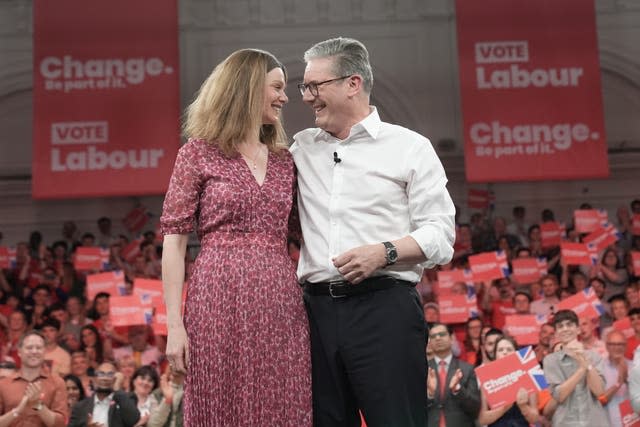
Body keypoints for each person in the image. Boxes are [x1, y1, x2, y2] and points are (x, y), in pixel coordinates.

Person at [291, 37, 455, 427]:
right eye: (304, 87)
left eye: (316, 86)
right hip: (313, 314)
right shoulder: (300, 149)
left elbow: (441, 234)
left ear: (353, 83)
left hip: (384, 310)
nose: (307, 97)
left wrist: (385, 252)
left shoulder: (409, 148)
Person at [160, 48, 312, 426]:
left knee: (284, 396)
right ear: (246, 88)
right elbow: (174, 241)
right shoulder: (197, 154)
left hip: (279, 297)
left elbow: (307, 230)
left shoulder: (285, 160)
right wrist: (174, 326)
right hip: (215, 295)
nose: (285, 96)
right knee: (218, 397)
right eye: (276, 87)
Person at [542, 309, 609, 426]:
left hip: (594, 422)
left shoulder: (594, 356)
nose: (565, 329)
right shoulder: (550, 360)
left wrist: (584, 361)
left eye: (569, 324)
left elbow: (599, 391)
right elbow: (559, 395)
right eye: (560, 326)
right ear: (556, 333)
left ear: (578, 329)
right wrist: (581, 369)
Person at [0, 330, 67, 427]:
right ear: (19, 351)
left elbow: (60, 424)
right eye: (29, 347)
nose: (34, 351)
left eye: (39, 348)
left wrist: (38, 406)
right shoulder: (3, 384)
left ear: (45, 351)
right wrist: (17, 411)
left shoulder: (57, 383)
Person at [477, 335, 539, 426]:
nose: (505, 352)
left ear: (516, 353)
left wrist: (523, 407)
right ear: (495, 355)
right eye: (500, 350)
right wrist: (504, 407)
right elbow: (482, 420)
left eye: (509, 349)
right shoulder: (487, 379)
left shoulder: (529, 376)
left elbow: (535, 418)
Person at [427, 323, 481, 426]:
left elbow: (475, 408)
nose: (437, 338)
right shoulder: (423, 370)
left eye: (442, 334)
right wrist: (430, 394)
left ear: (452, 338)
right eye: (433, 336)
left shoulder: (467, 369)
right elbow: (413, 408)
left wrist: (458, 390)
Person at [68, 361, 140, 427]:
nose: (105, 378)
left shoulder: (125, 399)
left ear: (115, 379)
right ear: (94, 379)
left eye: (110, 374)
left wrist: (117, 388)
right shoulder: (80, 407)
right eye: (101, 374)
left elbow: (133, 420)